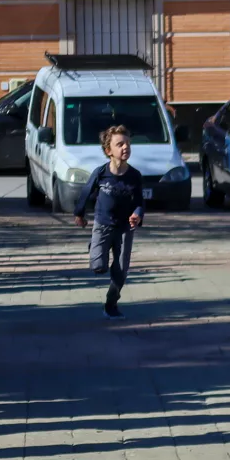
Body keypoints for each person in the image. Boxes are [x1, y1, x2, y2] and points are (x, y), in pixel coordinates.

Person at [73, 124, 144, 319]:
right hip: (103, 225)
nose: (125, 148)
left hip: (125, 228)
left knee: (120, 273)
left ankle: (111, 304)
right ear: (108, 150)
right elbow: (86, 193)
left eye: (128, 143)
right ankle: (97, 249)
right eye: (119, 144)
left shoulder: (134, 176)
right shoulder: (100, 173)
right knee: (98, 266)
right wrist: (79, 214)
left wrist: (137, 215)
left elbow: (139, 202)